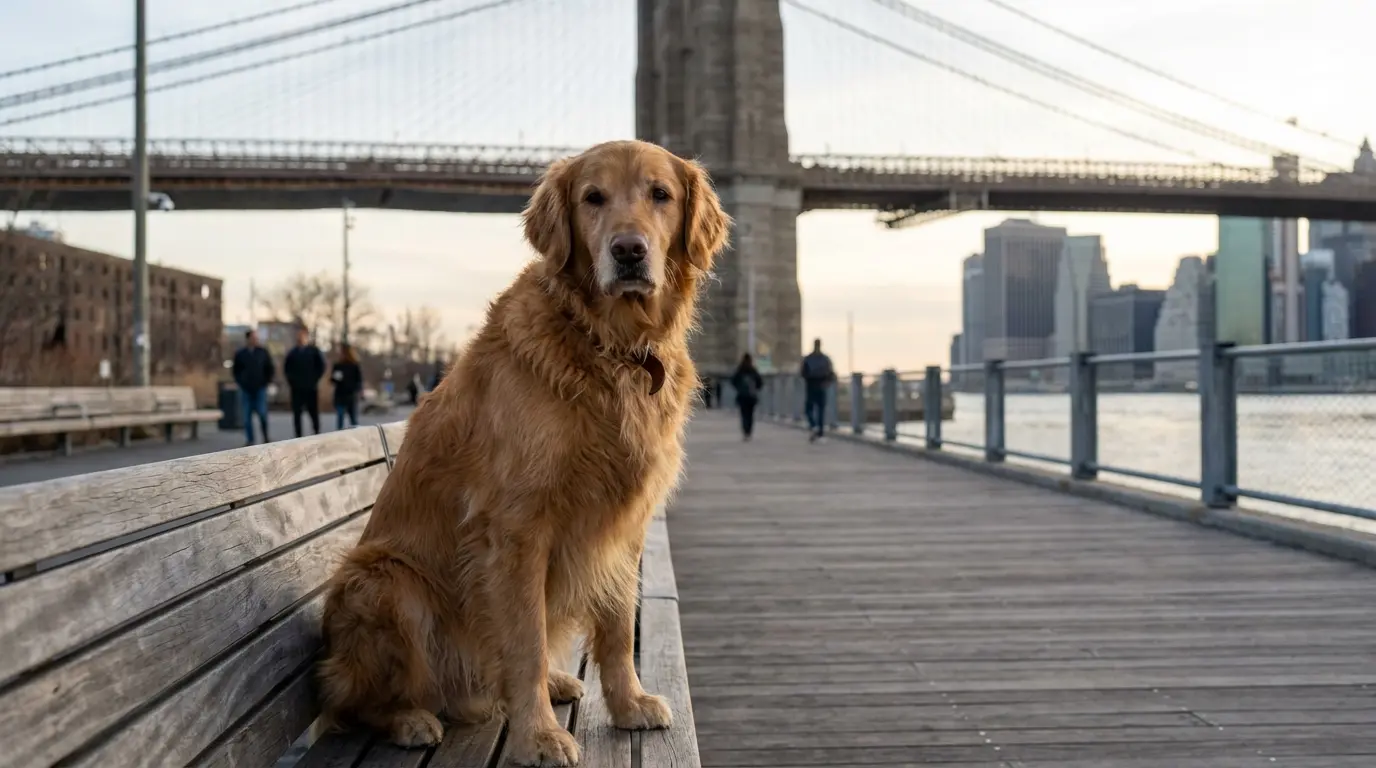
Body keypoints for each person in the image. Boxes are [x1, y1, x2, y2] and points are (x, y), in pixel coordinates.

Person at [232, 329, 275, 445]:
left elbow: (270, 368)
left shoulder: (263, 352)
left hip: (260, 388)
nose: (255, 340)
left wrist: (267, 382)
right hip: (246, 389)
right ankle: (250, 439)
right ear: (248, 339)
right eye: (253, 338)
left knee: (262, 414)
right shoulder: (241, 354)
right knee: (246, 417)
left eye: (256, 338)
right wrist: (240, 382)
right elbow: (236, 371)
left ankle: (266, 437)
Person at [283, 325, 326, 438]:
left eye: (302, 335)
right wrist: (292, 382)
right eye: (299, 336)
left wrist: (314, 379)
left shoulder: (313, 351)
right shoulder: (292, 353)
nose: (300, 338)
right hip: (297, 389)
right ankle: (298, 435)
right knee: (297, 413)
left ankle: (317, 432)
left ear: (306, 337)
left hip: (311, 388)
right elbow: (287, 369)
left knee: (313, 412)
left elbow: (321, 367)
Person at [800, 338, 836, 443]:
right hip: (822, 385)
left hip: (811, 384)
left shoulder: (808, 358)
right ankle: (820, 432)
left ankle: (813, 425)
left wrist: (807, 379)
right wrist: (828, 381)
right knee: (821, 409)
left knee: (809, 408)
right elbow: (831, 372)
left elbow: (803, 372)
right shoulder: (825, 359)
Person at [330, 343, 364, 430]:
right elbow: (332, 380)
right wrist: (335, 378)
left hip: (351, 395)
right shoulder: (338, 366)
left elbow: (359, 380)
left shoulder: (354, 365)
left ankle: (357, 435)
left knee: (353, 419)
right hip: (340, 395)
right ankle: (339, 435)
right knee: (340, 417)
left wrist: (357, 390)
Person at [731, 353, 764, 441]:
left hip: (742, 396)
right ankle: (749, 431)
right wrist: (755, 389)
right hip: (751, 397)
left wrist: (739, 388)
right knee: (750, 415)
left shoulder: (740, 370)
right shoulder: (753, 370)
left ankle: (745, 431)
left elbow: (733, 381)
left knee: (744, 415)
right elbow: (760, 382)